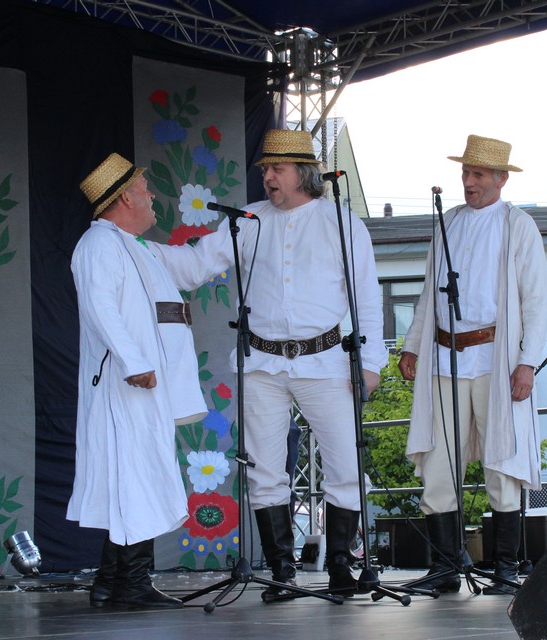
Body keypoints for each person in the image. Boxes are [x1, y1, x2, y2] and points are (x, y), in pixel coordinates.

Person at [175, 129, 387, 599]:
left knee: (345, 466)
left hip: (326, 361)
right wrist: (137, 252)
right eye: (265, 169)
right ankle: (281, 570)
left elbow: (367, 297)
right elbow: (193, 266)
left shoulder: (341, 221)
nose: (268, 176)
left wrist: (370, 362)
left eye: (278, 168)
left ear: (303, 173)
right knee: (264, 470)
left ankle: (340, 566)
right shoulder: (250, 219)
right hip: (261, 364)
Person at [399, 135, 547, 596]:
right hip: (444, 357)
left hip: (494, 359)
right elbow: (429, 290)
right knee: (439, 464)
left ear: (501, 179)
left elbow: (536, 300)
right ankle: (445, 568)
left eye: (478, 174)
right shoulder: (448, 222)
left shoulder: (518, 225)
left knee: (502, 462)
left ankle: (505, 568)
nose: (468, 181)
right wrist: (413, 346)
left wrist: (527, 362)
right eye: (465, 172)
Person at [68, 152, 209, 608]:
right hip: (125, 384)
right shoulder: (100, 245)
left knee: (135, 476)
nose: (152, 197)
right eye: (144, 189)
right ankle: (131, 584)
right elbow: (101, 306)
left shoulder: (133, 248)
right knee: (135, 477)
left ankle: (110, 582)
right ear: (125, 197)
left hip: (142, 385)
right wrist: (134, 361)